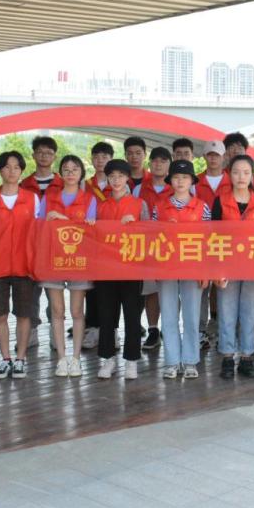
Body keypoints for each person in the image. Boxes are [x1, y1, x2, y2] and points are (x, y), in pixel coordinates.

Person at [0, 151, 39, 380]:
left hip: (25, 267)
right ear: (0, 170)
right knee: (0, 315)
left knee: (24, 314)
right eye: (7, 166)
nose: (12, 171)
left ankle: (20, 359)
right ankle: (5, 359)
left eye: (16, 167)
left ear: (22, 170)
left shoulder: (32, 198)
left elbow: (39, 233)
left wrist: (37, 265)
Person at [38, 155, 97, 377]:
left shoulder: (89, 199)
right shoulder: (49, 197)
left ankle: (76, 358)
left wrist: (62, 219)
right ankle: (61, 359)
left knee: (77, 311)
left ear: (81, 173)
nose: (70, 173)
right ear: (60, 173)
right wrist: (50, 220)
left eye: (75, 169)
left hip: (79, 261)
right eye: (66, 169)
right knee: (57, 311)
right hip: (53, 259)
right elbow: (39, 226)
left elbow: (91, 231)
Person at [212, 155, 254, 379]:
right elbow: (212, 236)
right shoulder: (220, 201)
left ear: (252, 175)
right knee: (226, 311)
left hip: (253, 265)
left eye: (246, 172)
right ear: (229, 174)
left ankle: (247, 356)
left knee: (249, 311)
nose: (241, 177)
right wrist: (216, 269)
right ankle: (227, 356)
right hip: (226, 264)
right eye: (236, 172)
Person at [153, 159, 211, 379]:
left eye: (185, 178)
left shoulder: (202, 207)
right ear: (170, 181)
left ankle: (190, 361)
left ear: (192, 181)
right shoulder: (160, 207)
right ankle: (171, 361)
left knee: (191, 315)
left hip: (193, 267)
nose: (180, 181)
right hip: (166, 268)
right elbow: (152, 238)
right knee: (168, 314)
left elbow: (208, 241)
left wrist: (205, 270)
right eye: (176, 177)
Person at [95, 159, 150, 380]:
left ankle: (131, 360)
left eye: (120, 176)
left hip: (131, 269)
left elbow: (150, 233)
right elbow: (94, 236)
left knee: (132, 316)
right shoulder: (101, 206)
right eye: (112, 176)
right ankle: (107, 359)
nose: (116, 180)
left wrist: (136, 225)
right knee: (107, 316)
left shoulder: (139, 204)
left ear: (128, 178)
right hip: (106, 269)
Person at [19, 135, 61, 348]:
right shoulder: (24, 184)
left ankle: (56, 333)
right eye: (40, 152)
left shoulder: (63, 184)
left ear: (55, 157)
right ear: (33, 155)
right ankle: (31, 333)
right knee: (30, 294)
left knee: (54, 293)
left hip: (55, 248)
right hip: (31, 247)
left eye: (49, 153)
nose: (44, 156)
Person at [194, 140, 230, 350]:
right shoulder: (194, 182)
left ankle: (225, 331)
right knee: (202, 287)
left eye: (217, 154)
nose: (213, 158)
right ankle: (200, 330)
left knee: (224, 288)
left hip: (227, 242)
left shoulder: (232, 180)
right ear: (204, 157)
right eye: (210, 154)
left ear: (224, 157)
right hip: (200, 243)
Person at [136, 146, 171, 351]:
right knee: (151, 290)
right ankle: (153, 330)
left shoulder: (177, 185)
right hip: (147, 248)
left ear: (169, 165)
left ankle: (170, 328)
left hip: (172, 248)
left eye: (163, 161)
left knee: (171, 290)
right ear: (149, 164)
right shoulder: (139, 188)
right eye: (155, 161)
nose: (158, 164)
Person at [83, 141, 115, 351]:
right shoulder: (85, 184)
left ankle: (112, 330)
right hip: (90, 242)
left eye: (105, 156)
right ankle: (93, 327)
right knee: (91, 288)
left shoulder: (120, 182)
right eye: (96, 157)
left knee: (112, 288)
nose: (100, 160)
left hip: (113, 244)